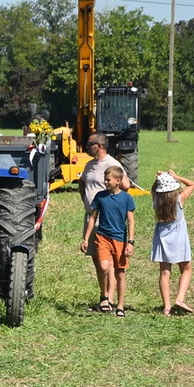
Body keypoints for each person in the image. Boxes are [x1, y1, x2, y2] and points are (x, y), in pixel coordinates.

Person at [79, 132, 131, 310]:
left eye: (89, 144)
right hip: (91, 215)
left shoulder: (112, 164)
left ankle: (109, 298)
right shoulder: (89, 165)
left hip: (106, 217)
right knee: (97, 258)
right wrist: (86, 201)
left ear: (99, 146)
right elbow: (82, 182)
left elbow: (125, 186)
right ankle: (104, 295)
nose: (87, 147)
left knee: (109, 262)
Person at [150, 170, 194, 316]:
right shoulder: (179, 199)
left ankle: (167, 307)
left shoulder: (157, 200)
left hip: (162, 237)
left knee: (165, 272)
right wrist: (176, 177)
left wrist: (158, 179)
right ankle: (180, 299)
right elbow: (192, 184)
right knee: (186, 269)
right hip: (178, 237)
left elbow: (153, 190)